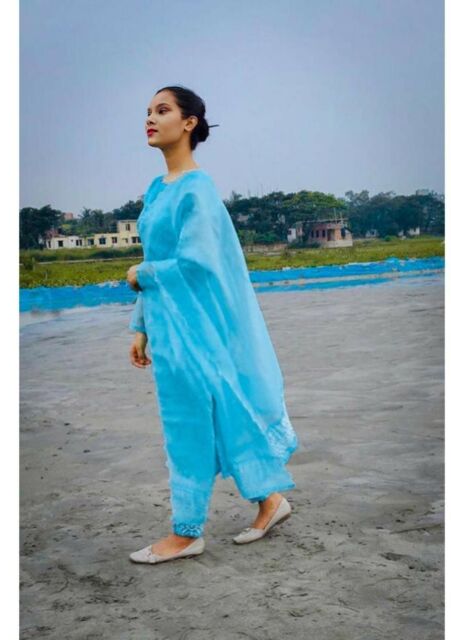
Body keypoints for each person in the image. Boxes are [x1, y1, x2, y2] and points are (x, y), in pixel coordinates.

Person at [127, 86, 298, 564]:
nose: (150, 118)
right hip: (168, 325)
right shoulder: (157, 189)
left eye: (162, 110)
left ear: (189, 123)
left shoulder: (197, 188)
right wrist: (141, 325)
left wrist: (143, 275)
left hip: (196, 330)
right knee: (219, 413)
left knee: (188, 422)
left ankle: (185, 532)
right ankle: (270, 500)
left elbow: (198, 262)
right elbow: (157, 256)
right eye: (147, 111)